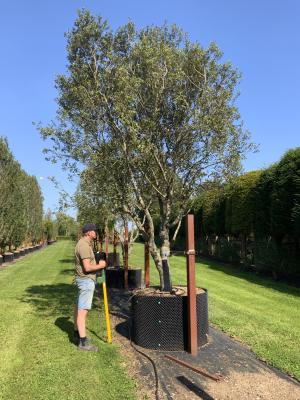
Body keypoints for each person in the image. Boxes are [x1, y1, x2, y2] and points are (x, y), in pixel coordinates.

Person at [74, 223, 106, 352]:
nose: (96, 233)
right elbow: (87, 268)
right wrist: (101, 265)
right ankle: (83, 342)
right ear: (88, 232)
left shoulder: (84, 244)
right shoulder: (83, 246)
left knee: (77, 307)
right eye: (94, 231)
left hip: (82, 280)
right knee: (83, 311)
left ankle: (77, 334)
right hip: (86, 281)